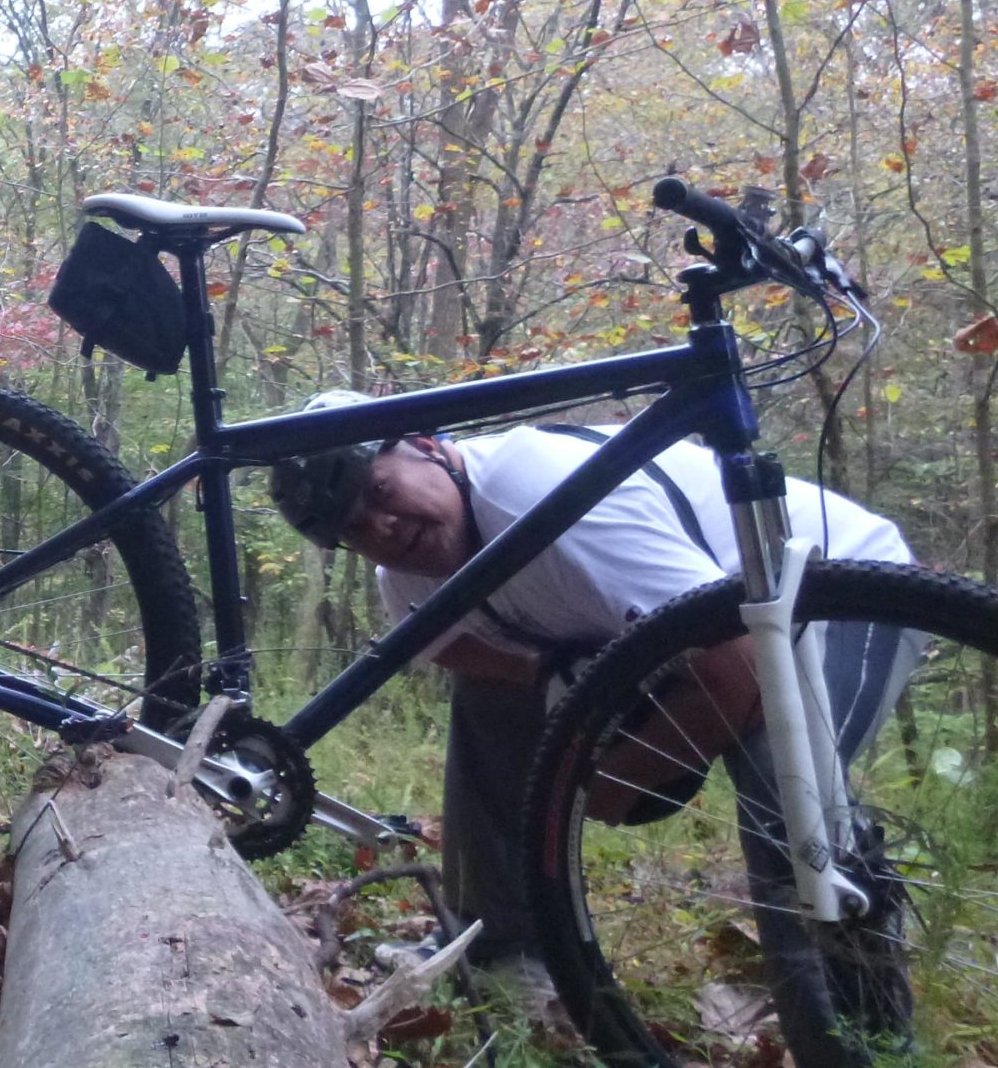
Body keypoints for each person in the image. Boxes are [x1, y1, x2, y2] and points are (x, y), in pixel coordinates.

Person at [270, 394, 914, 995]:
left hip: (830, 593)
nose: (384, 526)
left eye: (380, 491)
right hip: (692, 630)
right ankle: (503, 950)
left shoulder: (540, 492)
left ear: (425, 446)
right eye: (355, 530)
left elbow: (739, 664)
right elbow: (447, 646)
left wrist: (606, 778)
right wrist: (551, 676)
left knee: (785, 792)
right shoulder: (406, 578)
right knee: (489, 698)